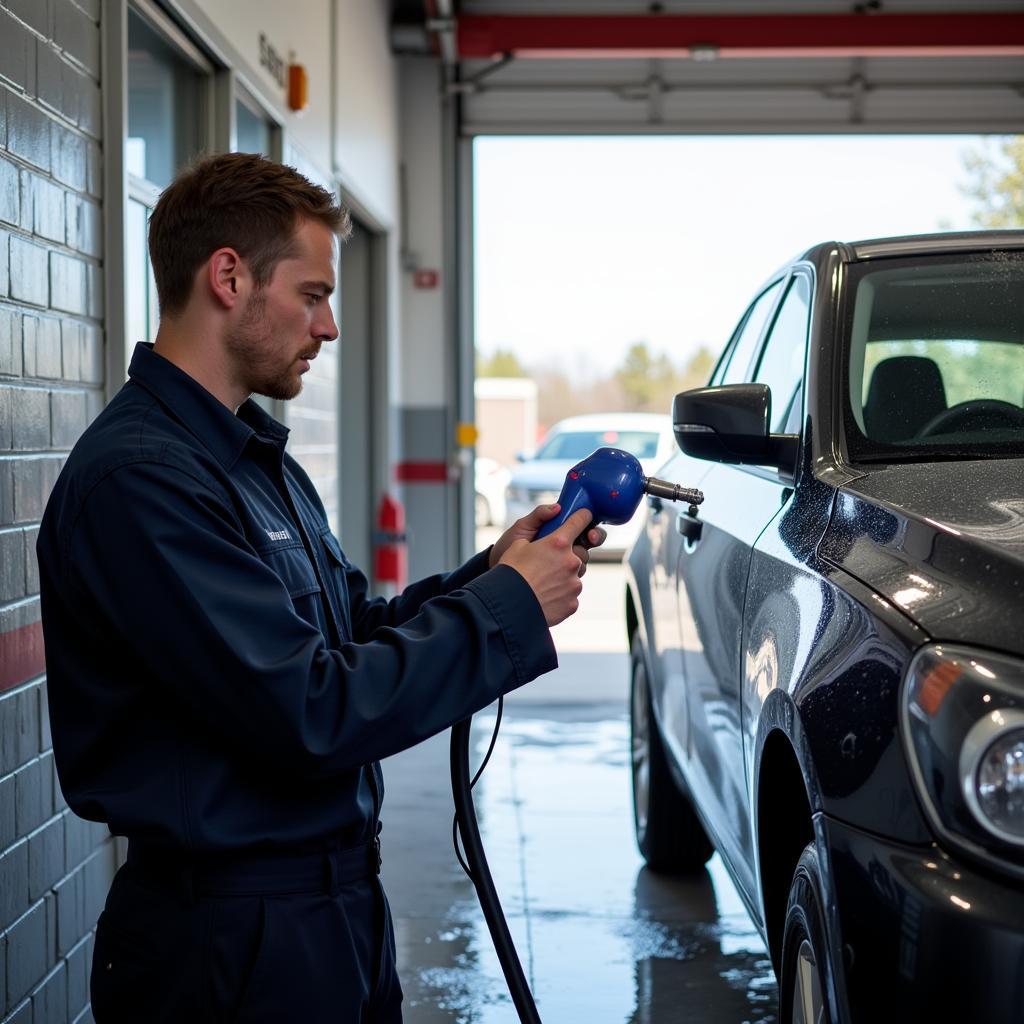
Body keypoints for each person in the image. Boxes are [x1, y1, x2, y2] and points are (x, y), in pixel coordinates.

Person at [36, 152, 604, 1023]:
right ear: (229, 277)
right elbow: (310, 711)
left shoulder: (252, 462)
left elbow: (347, 635)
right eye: (312, 295)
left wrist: (493, 574)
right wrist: (505, 612)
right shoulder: (143, 483)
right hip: (227, 948)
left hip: (329, 915)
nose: (329, 326)